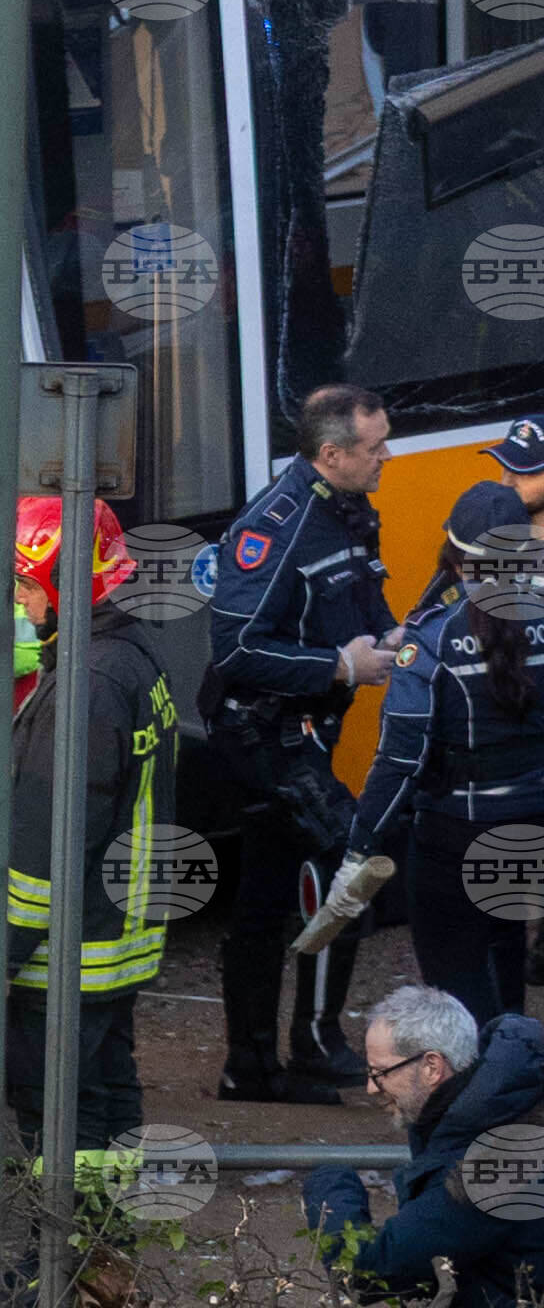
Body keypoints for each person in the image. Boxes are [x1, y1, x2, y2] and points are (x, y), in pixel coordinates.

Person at [188, 380, 396, 1095]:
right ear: (332, 453)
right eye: (376, 448)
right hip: (260, 733)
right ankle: (311, 1041)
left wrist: (394, 638)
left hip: (304, 728)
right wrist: (340, 664)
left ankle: (250, 1066)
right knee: (350, 861)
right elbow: (237, 644)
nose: (387, 457)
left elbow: (366, 597)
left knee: (267, 894)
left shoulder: (348, 507)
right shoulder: (275, 525)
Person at [320, 485, 544, 1039]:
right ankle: (513, 1072)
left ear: (454, 555)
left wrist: (359, 849)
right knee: (507, 951)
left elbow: (399, 760)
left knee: (460, 991)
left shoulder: (431, 641)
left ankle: (478, 1101)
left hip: (456, 839)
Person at [3, 493, 180, 1159]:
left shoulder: (89, 681)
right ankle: (110, 1249)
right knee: (108, 1096)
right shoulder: (130, 653)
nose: (21, 604)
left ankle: (64, 1257)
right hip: (117, 939)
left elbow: (47, 842)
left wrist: (4, 954)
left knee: (59, 1116)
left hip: (70, 952)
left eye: (26, 585)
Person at [303, 982, 544, 1308]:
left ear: (432, 1067)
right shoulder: (487, 1117)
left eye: (380, 1072)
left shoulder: (491, 1166)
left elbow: (368, 1269)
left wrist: (329, 1185)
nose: (369, 1087)